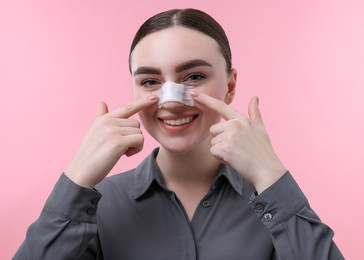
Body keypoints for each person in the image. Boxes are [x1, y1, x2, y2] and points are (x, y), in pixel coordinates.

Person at [14, 8, 344, 260]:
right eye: (150, 81)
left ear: (230, 86)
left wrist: (271, 175)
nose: (171, 101)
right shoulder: (98, 204)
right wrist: (76, 180)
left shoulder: (271, 200)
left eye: (194, 76)